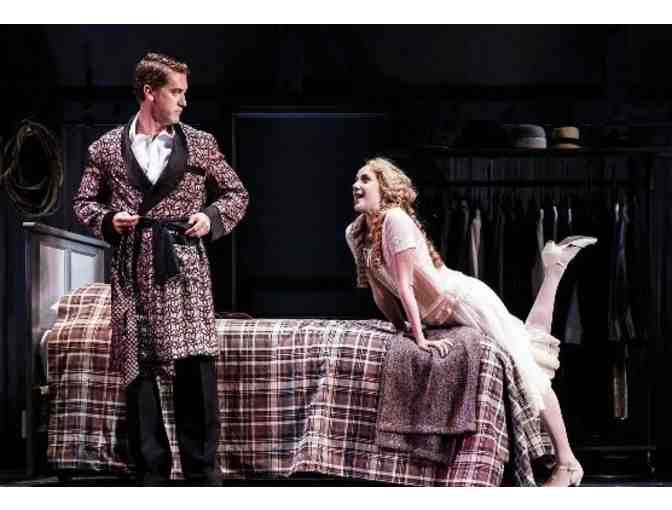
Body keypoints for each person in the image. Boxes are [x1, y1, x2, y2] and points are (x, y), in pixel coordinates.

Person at [345, 157, 595, 487]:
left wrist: (419, 337)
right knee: (528, 344)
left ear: (385, 187)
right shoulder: (357, 232)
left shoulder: (395, 219)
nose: (356, 185)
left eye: (365, 179)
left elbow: (405, 285)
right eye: (356, 179)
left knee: (527, 367)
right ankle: (554, 268)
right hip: (439, 314)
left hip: (464, 302)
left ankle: (567, 462)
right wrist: (401, 327)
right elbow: (381, 290)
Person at [73, 52, 249, 485]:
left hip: (183, 267)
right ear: (150, 92)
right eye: (176, 92)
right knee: (139, 375)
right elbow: (83, 202)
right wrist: (108, 220)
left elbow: (236, 194)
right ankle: (151, 477)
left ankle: (202, 476)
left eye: (185, 93)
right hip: (132, 269)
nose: (184, 101)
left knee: (194, 370)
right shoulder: (106, 148)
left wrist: (209, 217)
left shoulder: (200, 143)